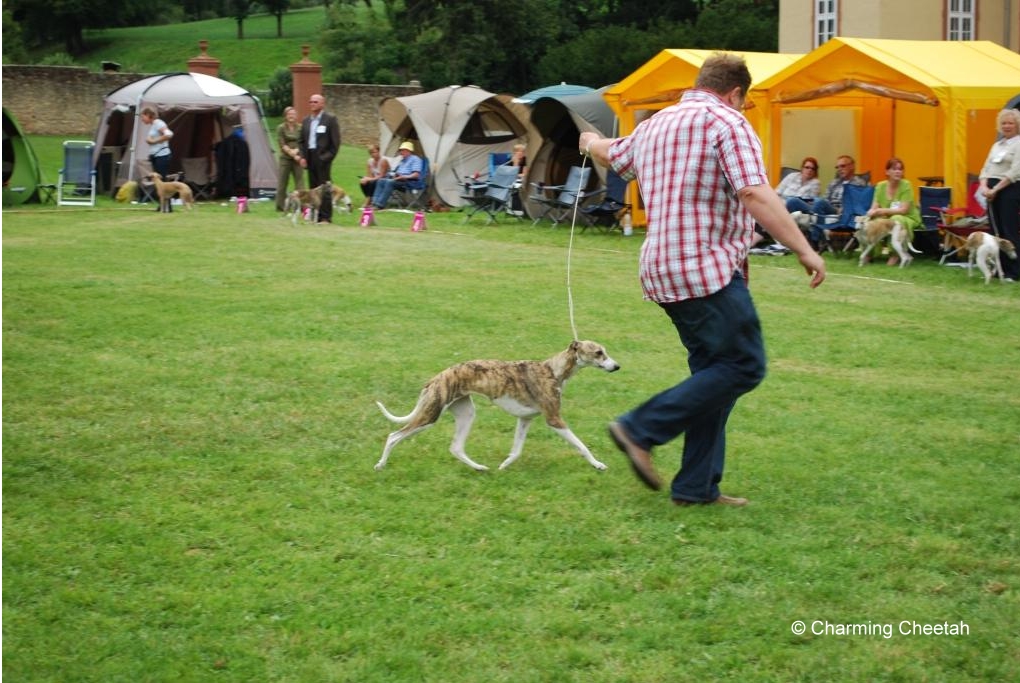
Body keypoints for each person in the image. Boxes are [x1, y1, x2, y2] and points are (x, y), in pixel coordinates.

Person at [579, 53, 825, 507]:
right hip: (705, 267)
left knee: (714, 373)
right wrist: (804, 248)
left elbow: (615, 154)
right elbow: (754, 191)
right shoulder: (728, 123)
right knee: (743, 366)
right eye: (744, 102)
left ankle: (696, 488)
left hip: (661, 267)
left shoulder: (656, 123)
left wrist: (590, 139)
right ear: (735, 93)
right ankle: (639, 429)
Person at [978, 108, 1020, 281]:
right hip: (991, 188)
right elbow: (985, 168)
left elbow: (1015, 170)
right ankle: (998, 269)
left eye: (1010, 123)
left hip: (1009, 188)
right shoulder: (997, 145)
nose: (1007, 126)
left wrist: (996, 189)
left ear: (1017, 125)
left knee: (1009, 230)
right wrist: (984, 187)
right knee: (995, 232)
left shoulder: (1018, 144)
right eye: (1004, 123)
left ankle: (1014, 271)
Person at [865, 157, 922, 266]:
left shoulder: (906, 185)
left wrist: (882, 210)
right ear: (887, 172)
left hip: (907, 217)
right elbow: (874, 207)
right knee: (873, 220)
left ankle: (895, 254)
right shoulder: (880, 186)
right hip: (887, 217)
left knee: (896, 220)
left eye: (900, 169)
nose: (898, 171)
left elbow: (903, 210)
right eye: (894, 169)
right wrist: (870, 213)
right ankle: (869, 252)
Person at [751, 156, 820, 246]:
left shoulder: (815, 183)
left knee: (792, 201)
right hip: (781, 206)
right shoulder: (791, 176)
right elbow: (777, 192)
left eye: (812, 168)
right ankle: (752, 241)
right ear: (802, 168)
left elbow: (809, 201)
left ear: (815, 171)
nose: (809, 170)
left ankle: (753, 241)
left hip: (799, 207)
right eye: (807, 167)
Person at [299, 93, 341, 223]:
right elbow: (301, 141)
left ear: (322, 104)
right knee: (313, 188)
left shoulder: (330, 119)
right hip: (310, 156)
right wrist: (302, 157)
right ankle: (315, 215)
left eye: (315, 102)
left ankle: (326, 217)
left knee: (324, 188)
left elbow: (336, 143)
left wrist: (326, 158)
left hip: (322, 157)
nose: (312, 104)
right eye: (311, 102)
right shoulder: (306, 120)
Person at [370, 141, 424, 209]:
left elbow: (416, 175)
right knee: (381, 180)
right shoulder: (402, 160)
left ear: (409, 151)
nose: (401, 152)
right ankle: (374, 203)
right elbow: (397, 172)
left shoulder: (415, 159)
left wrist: (404, 177)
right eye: (400, 150)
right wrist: (395, 175)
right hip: (398, 180)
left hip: (409, 182)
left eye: (403, 150)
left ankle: (379, 205)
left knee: (389, 182)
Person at [140, 107, 173, 208]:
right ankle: (162, 205)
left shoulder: (158, 123)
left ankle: (167, 206)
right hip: (156, 156)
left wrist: (153, 141)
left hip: (162, 156)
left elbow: (169, 134)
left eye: (143, 117)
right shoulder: (153, 125)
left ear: (148, 115)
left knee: (162, 182)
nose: (142, 119)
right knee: (159, 183)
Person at [275, 106, 305, 211]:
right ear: (285, 116)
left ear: (296, 116)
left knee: (300, 182)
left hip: (298, 157)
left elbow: (303, 142)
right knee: (282, 182)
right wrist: (292, 154)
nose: (291, 116)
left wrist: (297, 152)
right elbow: (281, 143)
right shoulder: (281, 128)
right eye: (289, 114)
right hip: (285, 158)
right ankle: (281, 206)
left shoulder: (301, 128)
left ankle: (301, 206)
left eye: (293, 114)